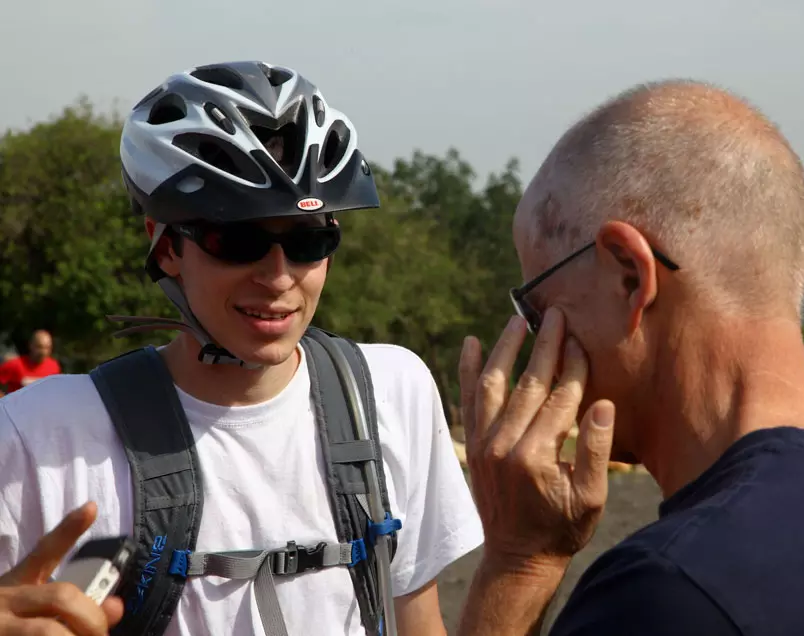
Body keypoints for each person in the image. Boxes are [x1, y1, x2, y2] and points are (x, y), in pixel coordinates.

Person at [455, 79, 804, 635]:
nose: (532, 337)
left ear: (629, 277)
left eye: (537, 303)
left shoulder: (666, 593)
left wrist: (520, 563)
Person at [0, 61, 483, 635]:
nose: (279, 277)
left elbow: (417, 621)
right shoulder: (40, 436)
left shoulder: (388, 392)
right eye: (239, 240)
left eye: (310, 240)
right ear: (166, 247)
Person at [0, 330, 61, 397]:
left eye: (47, 347)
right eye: (39, 347)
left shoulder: (53, 366)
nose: (43, 352)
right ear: (31, 345)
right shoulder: (15, 365)